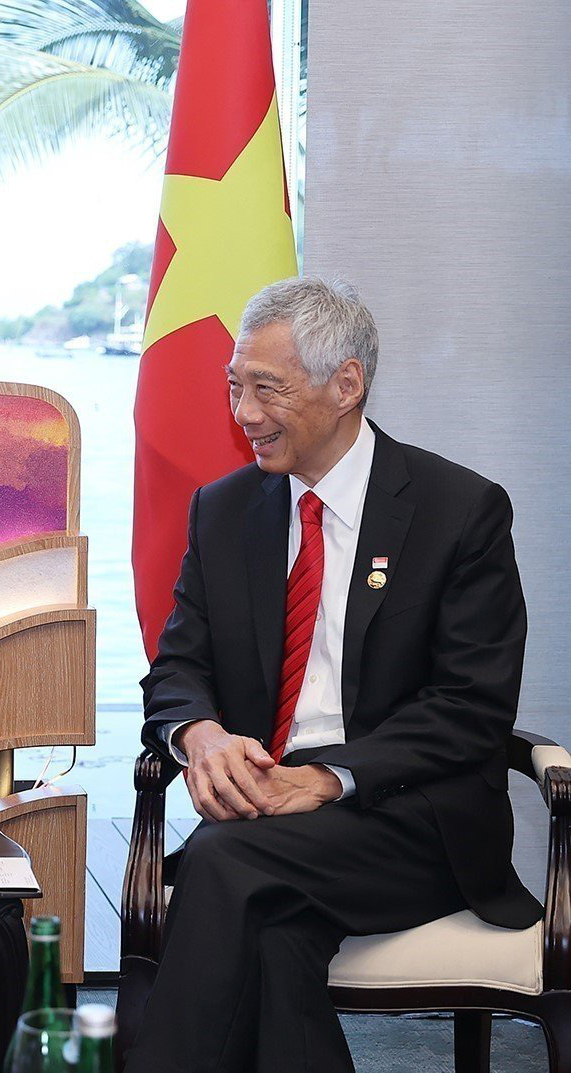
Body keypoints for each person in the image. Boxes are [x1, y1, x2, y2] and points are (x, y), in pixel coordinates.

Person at [125, 278, 540, 1072]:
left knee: (219, 862)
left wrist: (326, 779)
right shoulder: (224, 508)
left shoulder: (460, 510)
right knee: (275, 938)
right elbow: (178, 665)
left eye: (266, 389)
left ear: (346, 385)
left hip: (411, 822)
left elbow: (471, 707)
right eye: (233, 387)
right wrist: (200, 734)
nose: (243, 412)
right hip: (270, 821)